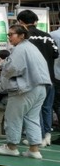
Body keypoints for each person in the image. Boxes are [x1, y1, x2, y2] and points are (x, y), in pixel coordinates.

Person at [0, 24, 51, 159]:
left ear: (21, 35)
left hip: (26, 89)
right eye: (8, 35)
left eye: (11, 34)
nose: (9, 37)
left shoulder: (20, 49)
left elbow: (12, 69)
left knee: (13, 118)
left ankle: (11, 147)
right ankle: (34, 150)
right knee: (32, 118)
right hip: (41, 87)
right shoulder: (32, 47)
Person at [16, 10, 58, 146]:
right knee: (47, 108)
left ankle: (38, 137)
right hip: (50, 77)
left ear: (20, 22)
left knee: (35, 109)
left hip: (33, 80)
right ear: (35, 21)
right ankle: (47, 135)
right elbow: (55, 54)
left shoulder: (24, 37)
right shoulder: (47, 36)